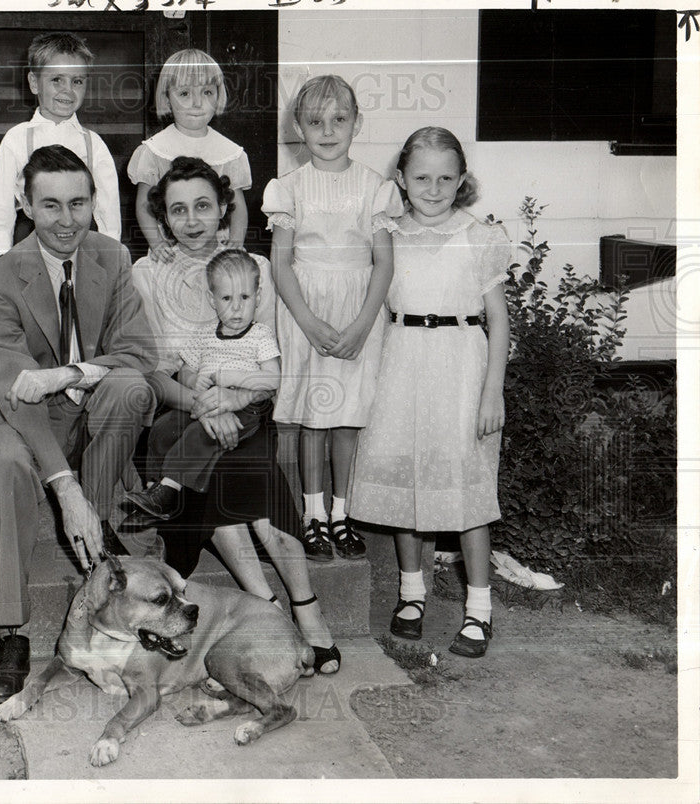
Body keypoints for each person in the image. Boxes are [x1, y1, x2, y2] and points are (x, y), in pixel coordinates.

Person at [130, 156, 340, 674]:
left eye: (204, 205)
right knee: (213, 460)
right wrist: (205, 406)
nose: (193, 220)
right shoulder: (147, 273)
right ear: (162, 216)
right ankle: (270, 606)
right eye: (178, 210)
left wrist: (236, 402)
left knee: (244, 464)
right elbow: (155, 373)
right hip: (181, 410)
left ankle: (300, 605)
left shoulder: (254, 269)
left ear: (225, 207)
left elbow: (269, 359)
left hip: (249, 406)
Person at [0, 144, 156, 703]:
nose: (66, 220)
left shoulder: (113, 256)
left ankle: (95, 551)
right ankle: (12, 631)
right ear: (24, 205)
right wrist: (63, 485)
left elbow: (140, 353)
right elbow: (16, 392)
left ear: (94, 202)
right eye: (49, 205)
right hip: (23, 418)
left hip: (88, 399)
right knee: (2, 467)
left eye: (78, 203)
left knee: (131, 389)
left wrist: (65, 373)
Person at [349, 127, 510, 659]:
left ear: (461, 180)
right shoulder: (387, 232)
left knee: (466, 491)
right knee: (407, 484)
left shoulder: (480, 235)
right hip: (403, 363)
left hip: (462, 365)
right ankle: (412, 594)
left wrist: (493, 391)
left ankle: (479, 608)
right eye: (422, 177)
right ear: (402, 179)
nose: (434, 188)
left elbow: (499, 321)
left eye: (446, 178)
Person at [262, 74, 402, 563]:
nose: (327, 130)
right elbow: (281, 263)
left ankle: (343, 514)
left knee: (348, 418)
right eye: (315, 120)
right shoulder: (288, 188)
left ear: (356, 124)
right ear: (298, 127)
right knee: (313, 418)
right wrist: (307, 321)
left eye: (339, 119)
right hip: (306, 307)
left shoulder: (375, 188)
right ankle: (312, 515)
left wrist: (364, 324)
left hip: (357, 309)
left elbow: (383, 262)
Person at [124, 249, 280, 521]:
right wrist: (195, 382)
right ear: (212, 299)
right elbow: (186, 370)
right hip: (205, 404)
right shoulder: (204, 335)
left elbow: (273, 378)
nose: (236, 307)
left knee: (199, 435)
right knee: (164, 427)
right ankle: (153, 487)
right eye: (227, 298)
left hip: (246, 409)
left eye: (245, 297)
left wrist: (230, 379)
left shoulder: (260, 335)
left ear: (257, 296)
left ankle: (169, 491)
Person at [0, 32, 120, 260]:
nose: (67, 90)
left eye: (77, 81)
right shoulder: (16, 138)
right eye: (56, 79)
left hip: (78, 237)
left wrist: (111, 253)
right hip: (30, 237)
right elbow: (3, 205)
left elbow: (108, 207)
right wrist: (1, 253)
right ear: (34, 83)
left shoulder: (93, 143)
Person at [128, 49, 249, 261]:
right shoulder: (154, 150)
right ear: (166, 97)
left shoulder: (230, 152)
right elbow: (144, 204)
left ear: (218, 95)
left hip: (216, 250)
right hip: (171, 251)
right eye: (185, 93)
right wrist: (156, 243)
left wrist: (237, 241)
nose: (197, 103)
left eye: (207, 92)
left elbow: (237, 205)